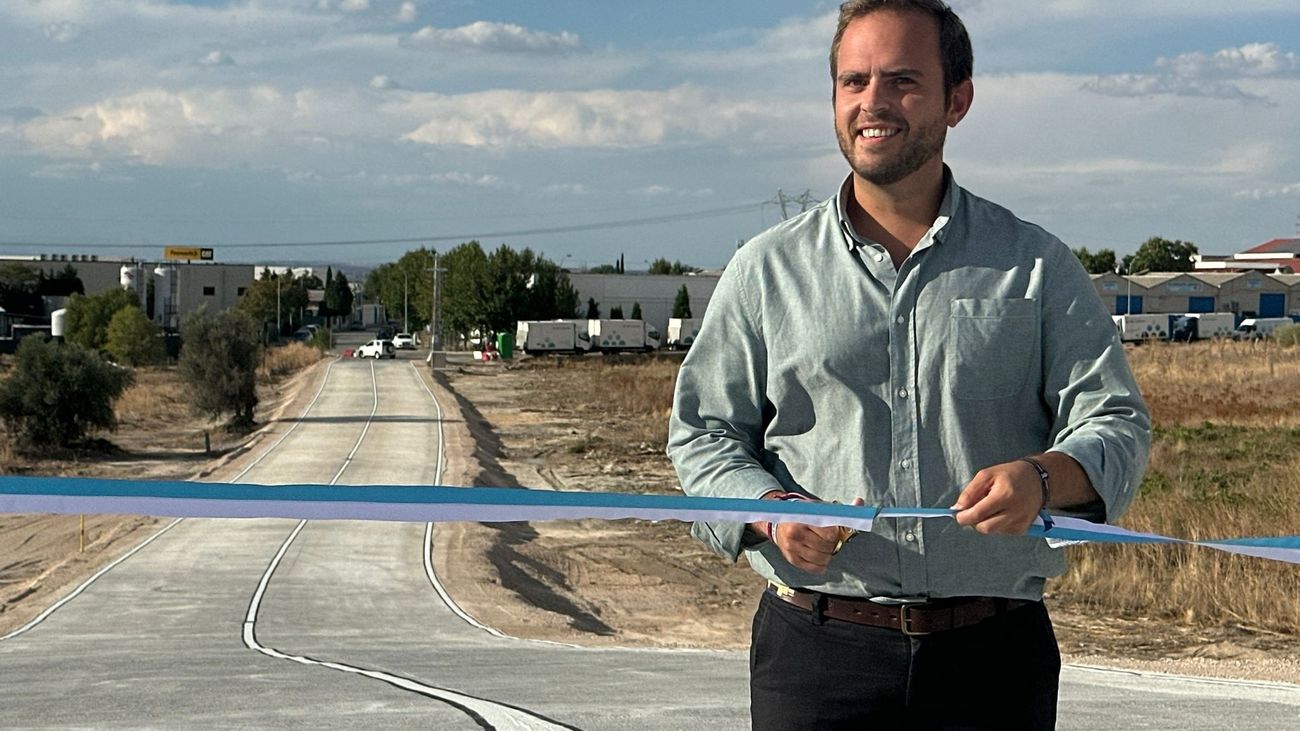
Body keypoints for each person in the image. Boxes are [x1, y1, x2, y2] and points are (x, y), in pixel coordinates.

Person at [666, 1, 1151, 729]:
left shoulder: (1035, 266)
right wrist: (768, 516)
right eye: (853, 80)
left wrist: (1042, 477)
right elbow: (702, 434)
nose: (873, 103)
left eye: (902, 81)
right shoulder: (764, 271)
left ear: (958, 99)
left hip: (992, 660)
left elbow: (1115, 422)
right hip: (816, 657)